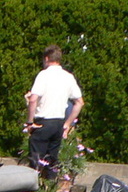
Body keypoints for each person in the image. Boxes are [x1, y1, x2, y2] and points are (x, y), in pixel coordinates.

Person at [26, 44, 84, 180]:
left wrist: (29, 122)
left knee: (36, 163)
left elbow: (33, 99)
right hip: (58, 123)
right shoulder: (68, 77)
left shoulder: (43, 75)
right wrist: (68, 123)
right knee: (52, 163)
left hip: (43, 123)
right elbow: (79, 102)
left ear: (46, 58)